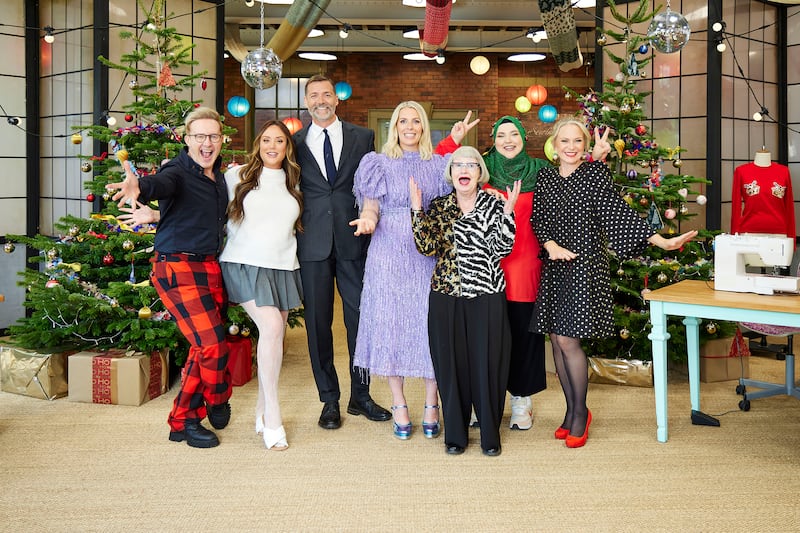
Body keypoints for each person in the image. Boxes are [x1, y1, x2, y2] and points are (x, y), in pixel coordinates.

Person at [529, 118, 697, 449]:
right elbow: (538, 218)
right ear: (554, 145)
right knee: (556, 337)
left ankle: (580, 414)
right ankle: (571, 411)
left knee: (567, 341)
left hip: (584, 264)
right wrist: (549, 245)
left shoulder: (593, 174)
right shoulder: (545, 177)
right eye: (565, 141)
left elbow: (617, 213)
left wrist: (661, 241)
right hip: (555, 265)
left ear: (585, 146)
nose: (571, 147)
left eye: (578, 141)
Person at [440, 116, 610, 431]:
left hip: (527, 267)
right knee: (483, 341)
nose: (508, 140)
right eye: (501, 134)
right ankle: (483, 401)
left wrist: (595, 158)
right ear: (493, 138)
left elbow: (571, 177)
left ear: (523, 138)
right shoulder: (478, 168)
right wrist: (452, 141)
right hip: (484, 270)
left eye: (514, 134)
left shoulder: (540, 172)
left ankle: (521, 399)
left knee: (523, 341)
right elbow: (441, 171)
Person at [108, 106, 232, 449]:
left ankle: (181, 420)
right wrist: (140, 188)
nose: (207, 143)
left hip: (209, 267)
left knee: (202, 347)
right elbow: (160, 184)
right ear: (187, 139)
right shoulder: (177, 170)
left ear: (221, 139)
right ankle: (217, 399)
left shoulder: (217, 176)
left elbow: (190, 213)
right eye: (200, 136)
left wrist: (156, 214)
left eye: (213, 136)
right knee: (212, 345)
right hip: (177, 269)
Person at [350, 101, 455, 440]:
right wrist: (367, 220)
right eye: (402, 121)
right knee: (392, 328)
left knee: (429, 329)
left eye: (416, 121)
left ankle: (431, 403)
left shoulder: (439, 166)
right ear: (394, 127)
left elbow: (447, 215)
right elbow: (371, 207)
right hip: (388, 256)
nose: (409, 127)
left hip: (427, 258)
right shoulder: (377, 163)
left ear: (423, 127)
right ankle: (398, 404)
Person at [292, 74, 391, 429]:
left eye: (327, 94)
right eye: (314, 95)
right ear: (307, 103)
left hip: (355, 240)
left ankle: (360, 396)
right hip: (312, 243)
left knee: (360, 320)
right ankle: (329, 399)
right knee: (318, 324)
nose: (321, 100)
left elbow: (371, 185)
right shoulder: (294, 142)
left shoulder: (362, 137)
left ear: (337, 100)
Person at [410, 146, 521, 457]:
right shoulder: (438, 206)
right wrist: (417, 210)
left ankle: (490, 435)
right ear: (451, 172)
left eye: (471, 164)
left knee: (489, 364)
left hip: (487, 295)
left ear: (479, 173)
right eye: (458, 164)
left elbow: (501, 249)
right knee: (451, 366)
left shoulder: (494, 204)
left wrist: (508, 214)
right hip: (447, 295)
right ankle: (455, 435)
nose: (464, 169)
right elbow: (427, 248)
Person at [218, 120, 304, 450]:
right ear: (258, 144)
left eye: (279, 141)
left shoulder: (294, 180)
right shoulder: (236, 177)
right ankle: (272, 415)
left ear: (287, 147)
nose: (272, 146)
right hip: (244, 262)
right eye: (266, 139)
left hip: (282, 265)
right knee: (270, 327)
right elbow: (202, 203)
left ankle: (260, 408)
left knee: (276, 334)